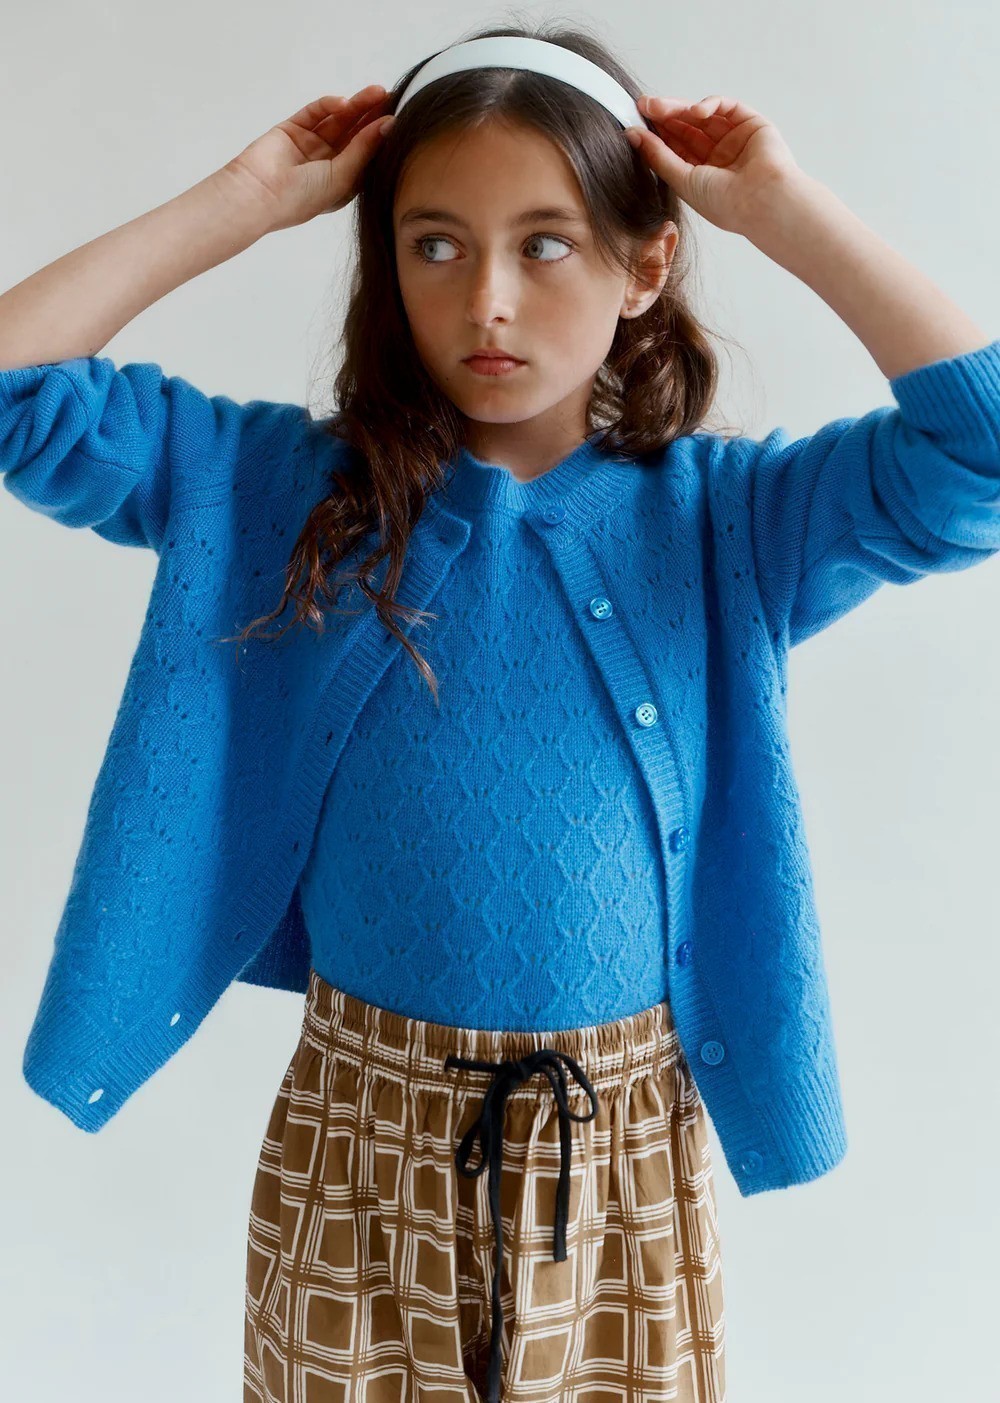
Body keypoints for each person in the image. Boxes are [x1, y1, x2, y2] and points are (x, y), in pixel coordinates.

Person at [2, 20, 997, 1403]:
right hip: (359, 1147)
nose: (487, 303)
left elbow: (979, 449)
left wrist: (784, 211)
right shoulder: (274, 489)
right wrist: (238, 206)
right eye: (435, 244)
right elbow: (15, 395)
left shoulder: (728, 522)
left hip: (621, 1160)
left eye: (546, 244)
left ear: (645, 264)